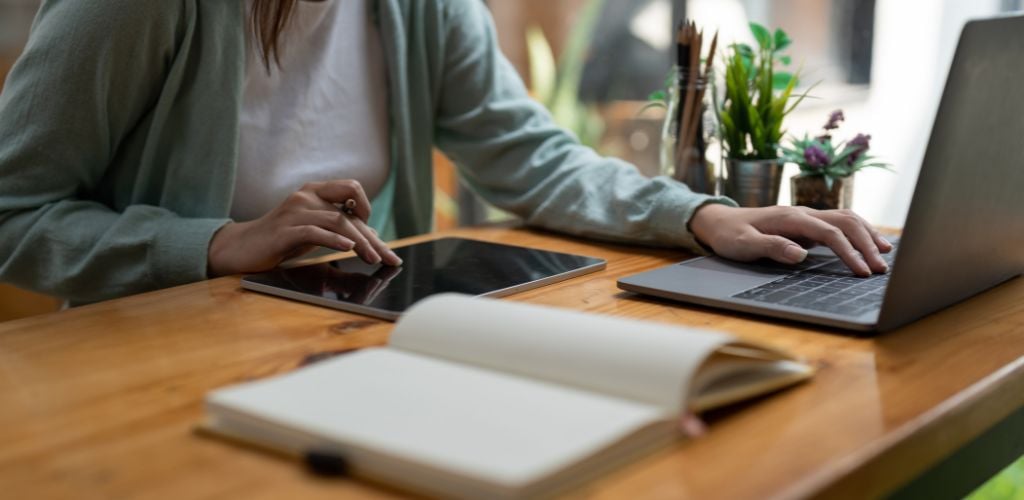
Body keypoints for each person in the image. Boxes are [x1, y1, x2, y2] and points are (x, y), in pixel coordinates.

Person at [0, 0, 891, 305]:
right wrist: (209, 245)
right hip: (155, 361)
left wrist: (699, 214)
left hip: (344, 341)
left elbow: (532, 155)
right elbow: (13, 210)